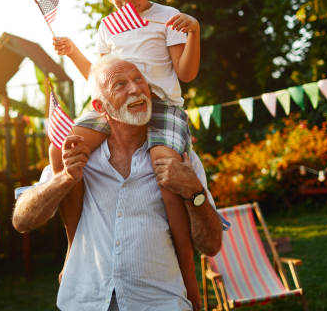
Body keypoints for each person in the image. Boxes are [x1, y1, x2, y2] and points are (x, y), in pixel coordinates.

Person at [51, 0, 202, 308]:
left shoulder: (168, 17)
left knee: (166, 173)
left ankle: (190, 284)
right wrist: (73, 52)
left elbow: (186, 72)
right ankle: (74, 248)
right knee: (62, 149)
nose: (125, 3)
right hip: (115, 107)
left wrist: (194, 32)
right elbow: (98, 80)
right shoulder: (109, 26)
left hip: (162, 108)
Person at [12, 57, 222, 311]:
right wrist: (64, 179)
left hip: (160, 303)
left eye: (138, 80)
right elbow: (22, 221)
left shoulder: (179, 159)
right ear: (101, 106)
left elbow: (211, 245)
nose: (135, 89)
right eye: (120, 84)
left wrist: (194, 191)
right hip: (86, 302)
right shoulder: (78, 158)